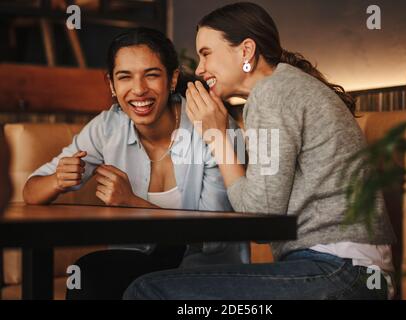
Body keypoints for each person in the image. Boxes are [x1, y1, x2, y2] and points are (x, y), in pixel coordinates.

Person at [123, 2, 396, 300]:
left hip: (341, 271)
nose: (200, 69)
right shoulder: (281, 88)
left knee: (147, 290)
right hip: (347, 270)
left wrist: (216, 136)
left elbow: (261, 220)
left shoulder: (271, 93)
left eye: (206, 54)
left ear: (246, 51)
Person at [22, 28, 249, 299]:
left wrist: (132, 202)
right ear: (111, 85)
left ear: (172, 78)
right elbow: (31, 191)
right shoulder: (108, 126)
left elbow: (216, 237)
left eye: (151, 75)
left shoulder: (213, 126)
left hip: (206, 274)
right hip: (141, 266)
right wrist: (57, 180)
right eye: (124, 77)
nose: (139, 89)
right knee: (87, 277)